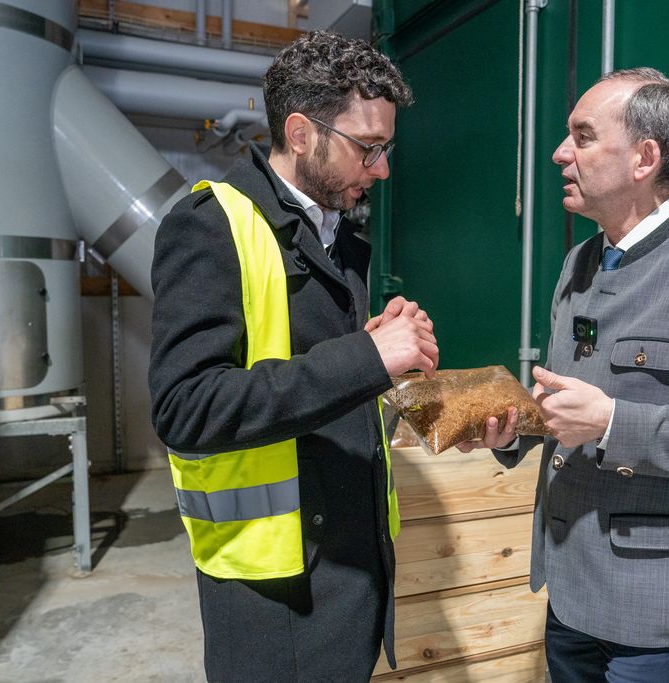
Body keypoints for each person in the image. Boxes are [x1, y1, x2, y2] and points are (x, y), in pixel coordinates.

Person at [459, 68, 669, 681]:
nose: (562, 153)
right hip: (569, 593)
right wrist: (511, 432)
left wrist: (614, 422)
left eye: (583, 137)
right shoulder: (578, 262)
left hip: (660, 617)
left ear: (645, 157)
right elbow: (567, 410)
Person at [148, 31, 438, 682]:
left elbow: (303, 359)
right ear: (302, 134)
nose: (382, 169)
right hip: (277, 598)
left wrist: (377, 346)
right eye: (370, 148)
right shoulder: (210, 224)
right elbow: (185, 407)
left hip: (351, 575)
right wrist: (364, 356)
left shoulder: (337, 232)